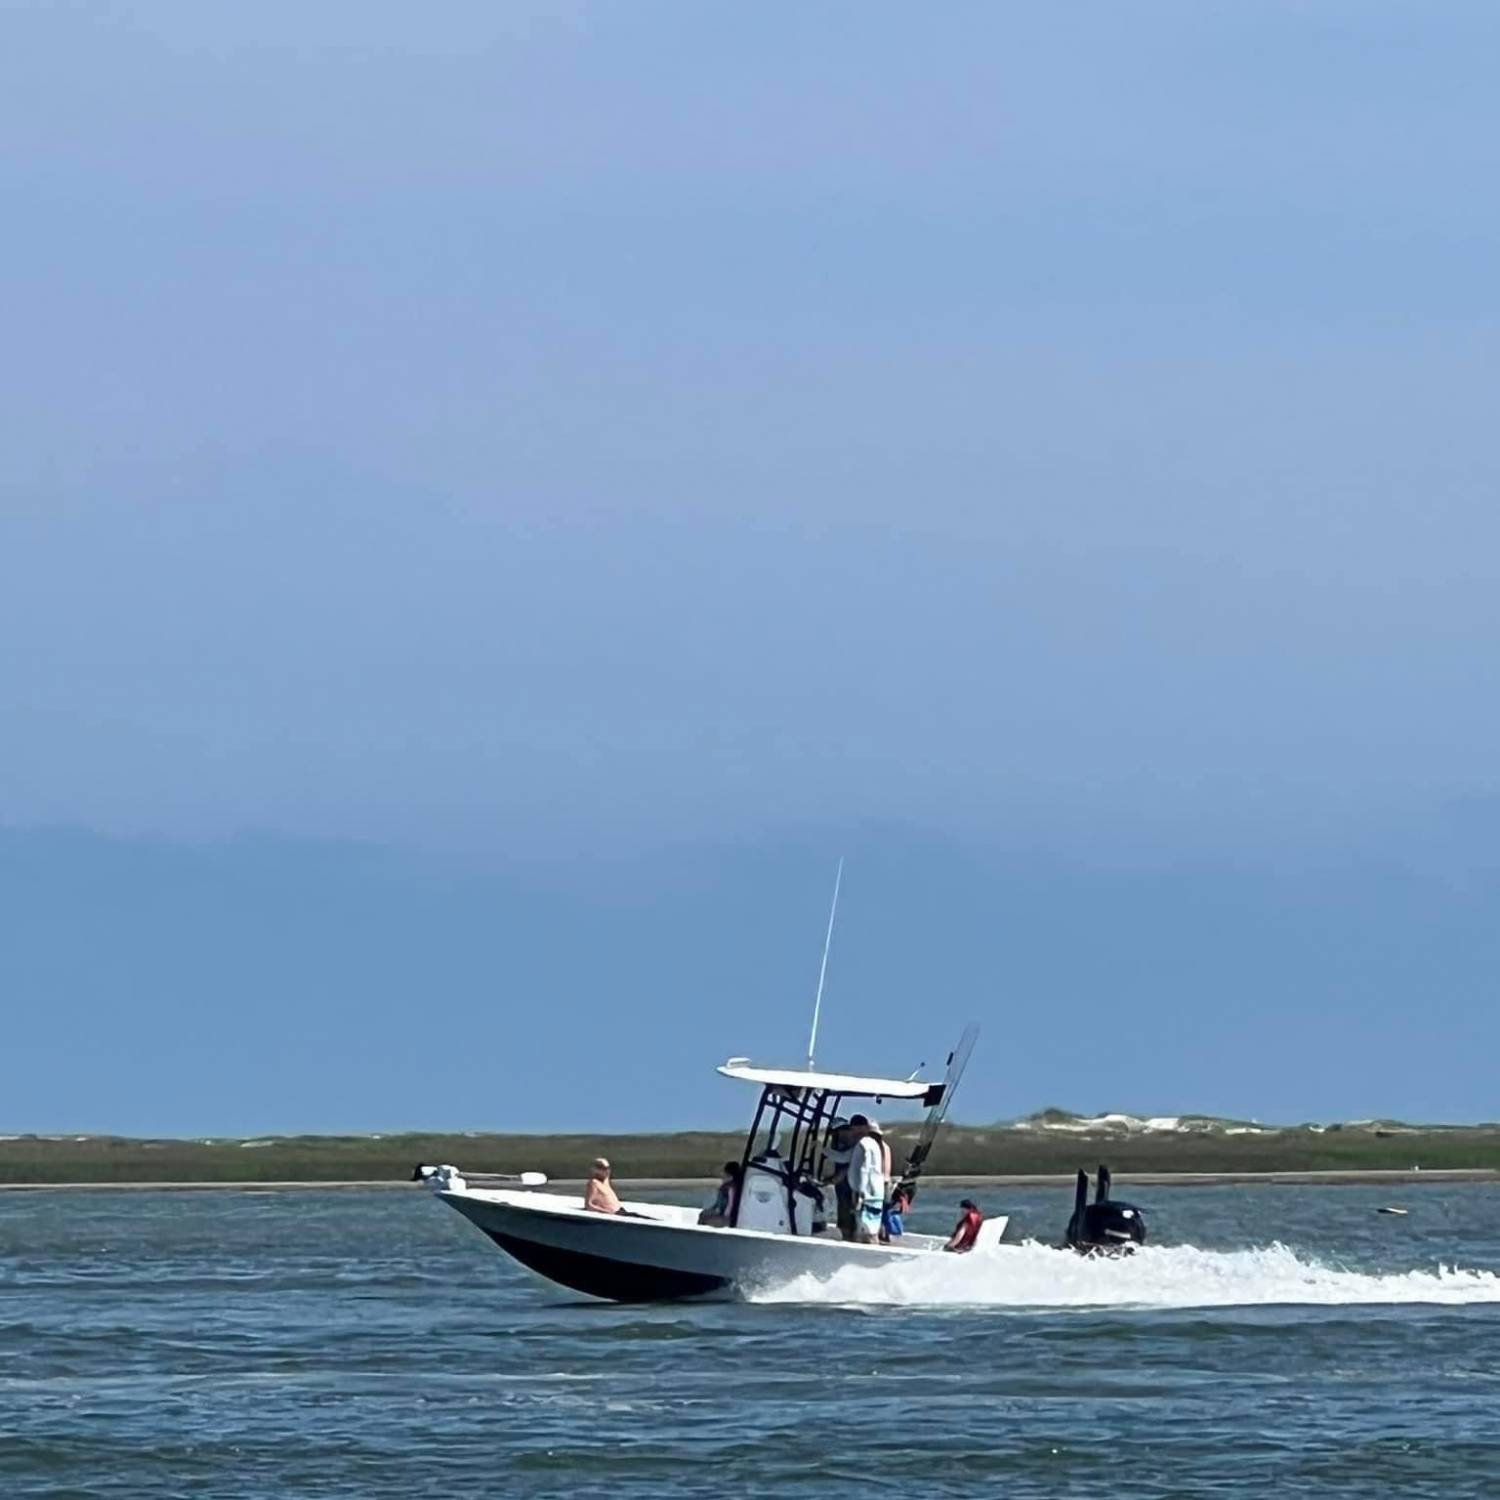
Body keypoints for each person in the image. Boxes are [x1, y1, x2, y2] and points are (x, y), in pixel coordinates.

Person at [847, 1115, 887, 1244]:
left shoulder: (864, 1143)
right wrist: (826, 1151)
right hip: (873, 1192)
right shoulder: (869, 1143)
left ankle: (871, 1255)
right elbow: (844, 1157)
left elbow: (865, 1168)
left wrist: (860, 1191)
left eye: (856, 1128)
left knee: (869, 1229)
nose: (854, 1132)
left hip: (867, 1194)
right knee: (869, 1227)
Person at [698, 1161, 742, 1226]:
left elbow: (730, 1203)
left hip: (726, 1216)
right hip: (722, 1212)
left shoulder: (730, 1187)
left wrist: (726, 1216)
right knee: (703, 1214)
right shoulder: (728, 1186)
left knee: (704, 1217)